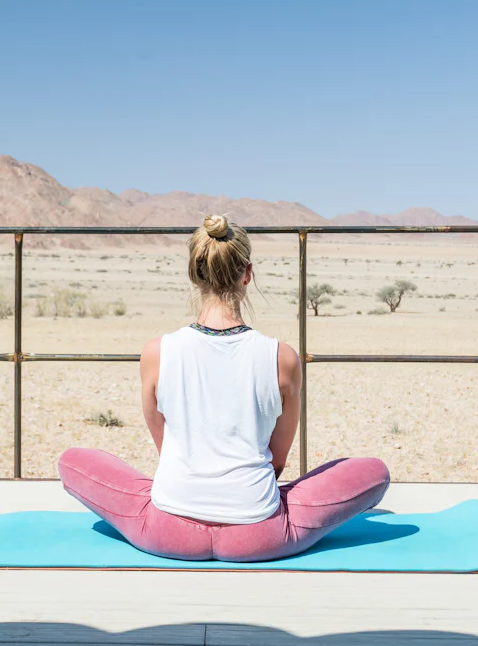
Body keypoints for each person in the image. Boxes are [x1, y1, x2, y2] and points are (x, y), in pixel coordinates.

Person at [58, 215, 390, 562]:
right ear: (247, 274)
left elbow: (165, 446)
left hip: (167, 528)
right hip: (261, 533)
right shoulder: (282, 358)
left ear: (193, 273)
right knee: (373, 473)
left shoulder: (157, 352)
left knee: (73, 463)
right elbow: (277, 460)